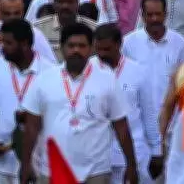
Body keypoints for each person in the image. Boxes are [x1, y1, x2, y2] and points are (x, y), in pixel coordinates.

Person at [20, 23, 139, 184]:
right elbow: (32, 126)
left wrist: (131, 165)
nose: (76, 50)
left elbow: (121, 126)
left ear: (91, 49)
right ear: (62, 48)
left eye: (82, 46)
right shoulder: (44, 79)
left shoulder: (107, 79)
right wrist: (26, 165)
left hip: (96, 172)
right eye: (71, 46)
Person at [0, 19, 55, 184]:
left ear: (24, 44)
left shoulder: (49, 72)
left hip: (34, 161)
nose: (2, 47)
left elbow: (56, 114)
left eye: (8, 43)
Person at [92, 24, 163, 184]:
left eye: (107, 49)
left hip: (133, 154)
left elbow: (149, 114)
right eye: (98, 49)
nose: (101, 54)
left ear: (119, 45)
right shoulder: (88, 69)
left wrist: (157, 150)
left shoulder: (138, 72)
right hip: (98, 157)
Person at [121, 0, 184, 117]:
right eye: (150, 14)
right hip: (138, 120)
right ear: (142, 16)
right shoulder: (128, 42)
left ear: (166, 14)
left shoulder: (179, 42)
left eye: (158, 14)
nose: (154, 19)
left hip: (171, 119)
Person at [33, 0, 99, 61]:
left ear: (77, 3)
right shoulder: (38, 29)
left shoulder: (94, 30)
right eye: (61, 2)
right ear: (53, 3)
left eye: (70, 2)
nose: (65, 6)